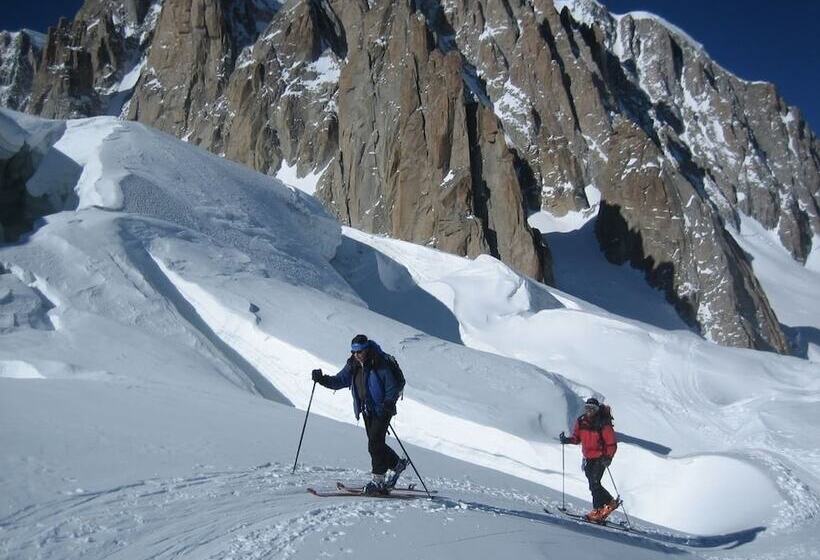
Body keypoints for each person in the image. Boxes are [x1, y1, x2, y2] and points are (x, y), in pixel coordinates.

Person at [312, 334, 408, 495]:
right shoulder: (353, 364)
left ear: (367, 349)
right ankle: (397, 464)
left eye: (359, 351)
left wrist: (388, 403)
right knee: (376, 444)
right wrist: (322, 379)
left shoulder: (380, 363)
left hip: (383, 409)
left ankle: (378, 481)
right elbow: (340, 380)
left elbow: (391, 386)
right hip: (366, 410)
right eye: (354, 351)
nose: (356, 355)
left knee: (375, 444)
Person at [559, 397, 619, 522]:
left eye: (592, 408)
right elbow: (577, 438)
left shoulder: (603, 423)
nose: (589, 410)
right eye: (587, 407)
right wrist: (567, 440)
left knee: (595, 483)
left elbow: (611, 443)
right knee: (593, 485)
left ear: (597, 409)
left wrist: (608, 457)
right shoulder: (581, 421)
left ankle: (597, 510)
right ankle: (610, 503)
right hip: (588, 457)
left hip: (601, 457)